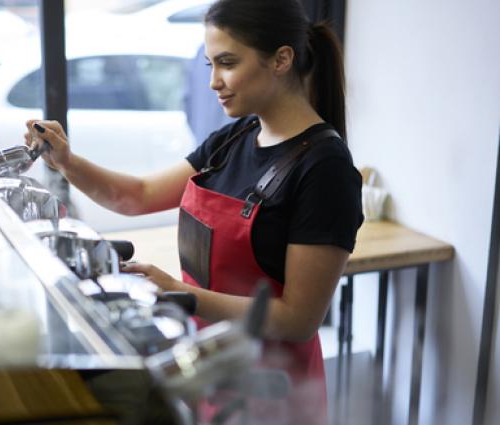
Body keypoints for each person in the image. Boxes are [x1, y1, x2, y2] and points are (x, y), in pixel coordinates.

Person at [25, 0, 362, 422]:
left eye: (227, 63)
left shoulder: (325, 169)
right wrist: (67, 162)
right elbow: (139, 196)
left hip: (273, 393)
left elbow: (299, 319)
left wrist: (180, 294)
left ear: (281, 59)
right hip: (205, 365)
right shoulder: (235, 138)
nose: (214, 82)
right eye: (210, 65)